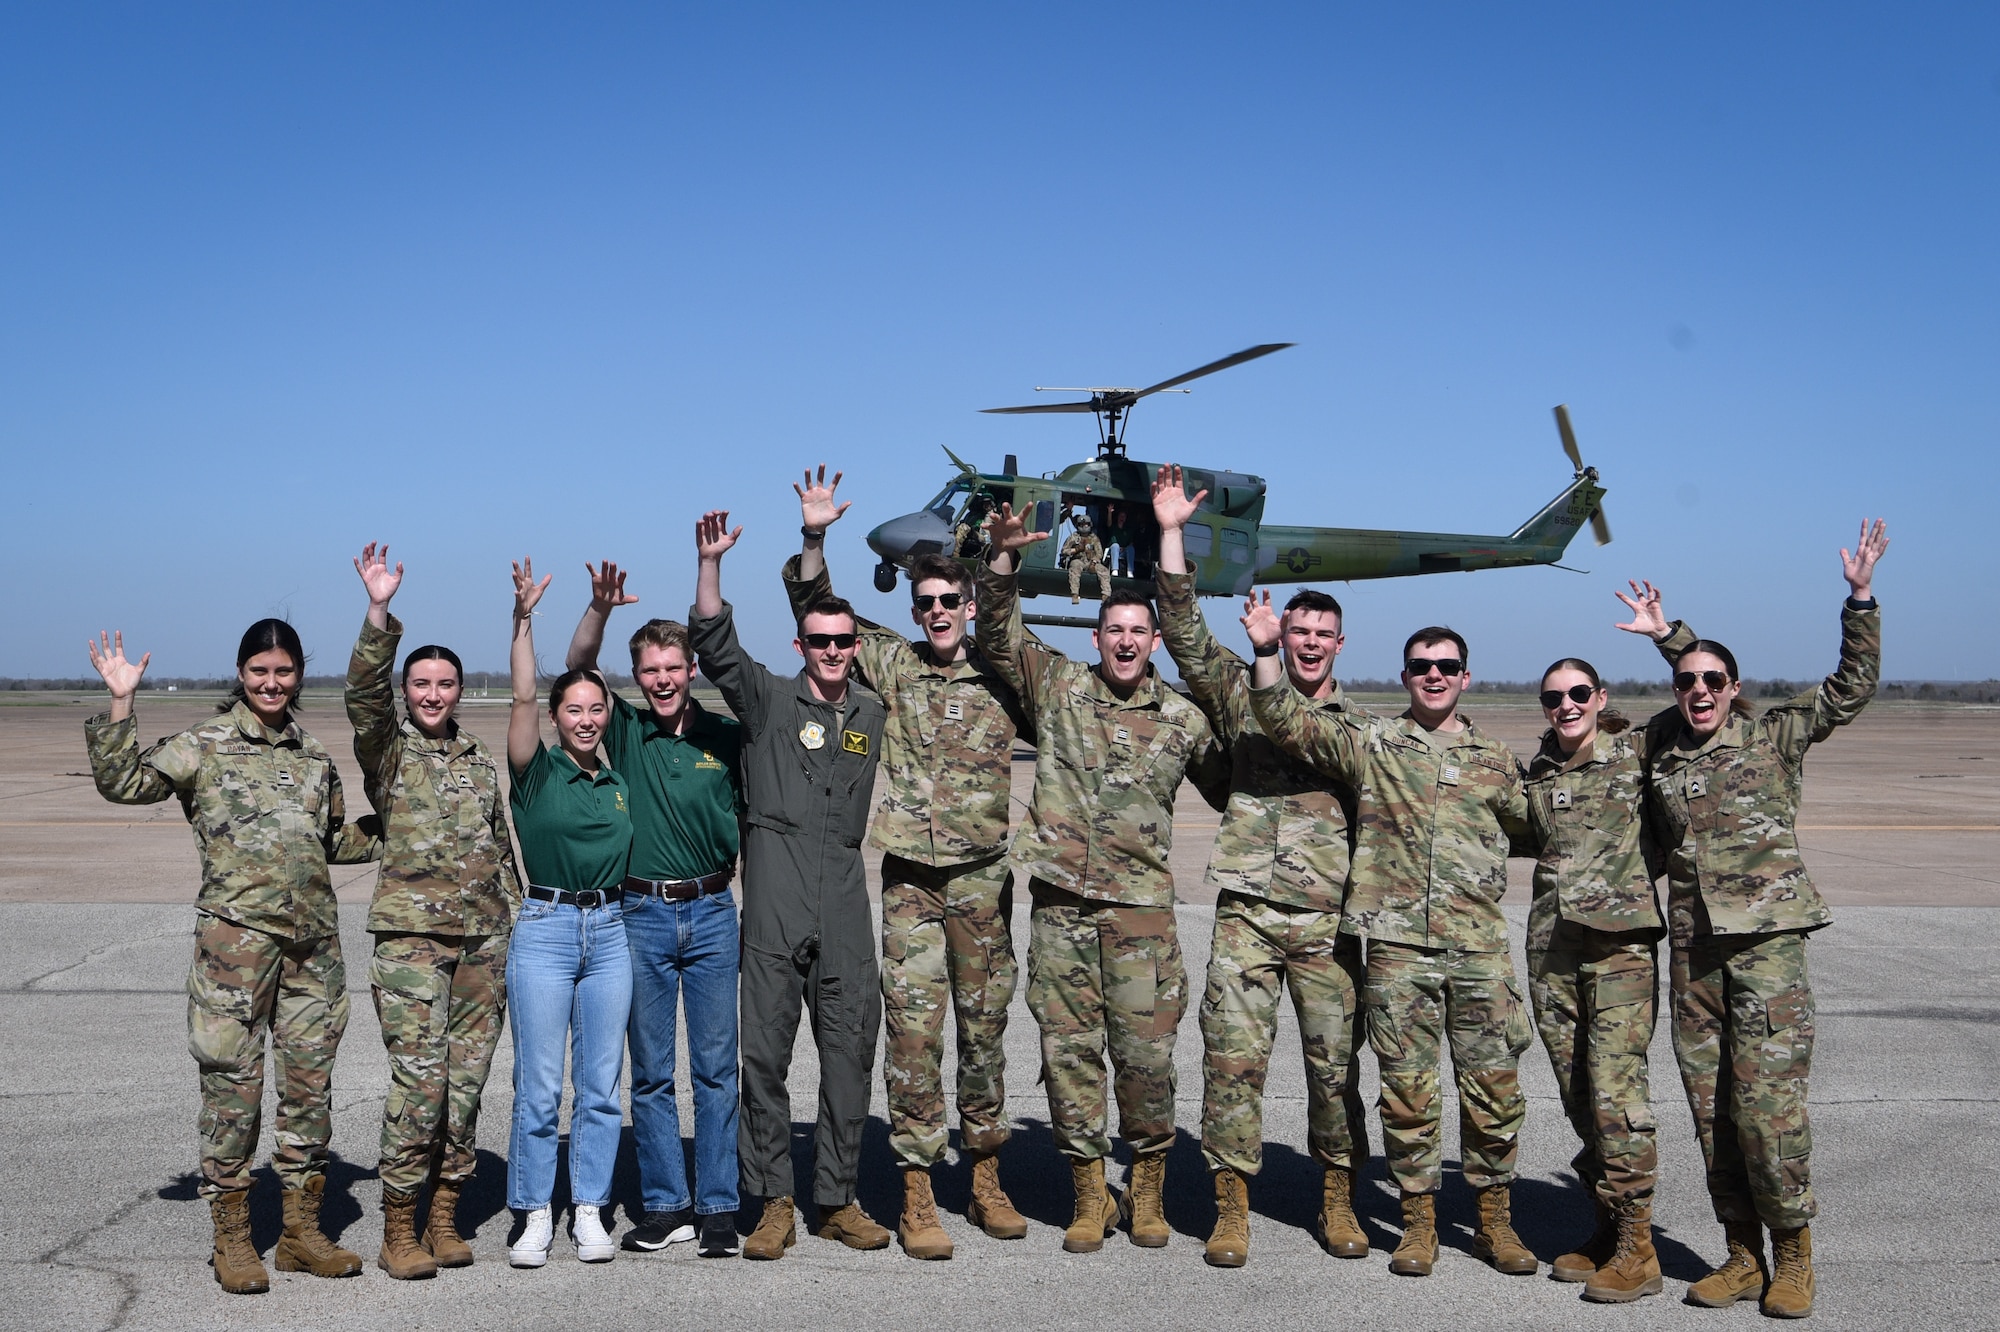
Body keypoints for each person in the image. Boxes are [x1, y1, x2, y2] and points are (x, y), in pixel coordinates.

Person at [1617, 519, 1888, 1319]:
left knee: (1768, 1112)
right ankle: (1741, 1253)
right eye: (1686, 680)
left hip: (1767, 951)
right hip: (1695, 954)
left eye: (1713, 681)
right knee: (1712, 1114)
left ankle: (1796, 1255)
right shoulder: (1662, 748)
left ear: (1735, 689)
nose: (1699, 691)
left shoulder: (1773, 736)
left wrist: (1860, 598)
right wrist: (1668, 636)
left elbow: (1851, 686)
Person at [84, 620, 380, 1295]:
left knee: (309, 1093)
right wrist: (123, 703)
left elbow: (334, 839)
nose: (272, 684)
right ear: (241, 674)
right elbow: (125, 784)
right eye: (259, 672)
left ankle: (302, 1234)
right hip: (233, 953)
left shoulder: (311, 754)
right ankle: (234, 1240)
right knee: (232, 1096)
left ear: (299, 673)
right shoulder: (205, 744)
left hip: (311, 951)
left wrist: (396, 824)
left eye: (283, 672)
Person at [784, 464, 1033, 1259]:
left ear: (965, 607)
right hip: (912, 889)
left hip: (984, 880)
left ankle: (987, 1178)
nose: (934, 615)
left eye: (946, 604)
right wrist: (815, 538)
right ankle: (919, 1192)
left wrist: (997, 566)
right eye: (922, 605)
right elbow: (820, 614)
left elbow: (1007, 626)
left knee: (986, 1034)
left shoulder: (1003, 672)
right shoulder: (892, 665)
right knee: (915, 1040)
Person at [1247, 618, 1537, 1279]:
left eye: (1446, 665)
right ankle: (1418, 1224)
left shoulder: (1495, 760)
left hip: (1479, 949)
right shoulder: (1373, 743)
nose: (1433, 675)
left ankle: (1495, 1222)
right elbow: (1288, 720)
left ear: (1466, 677)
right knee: (1407, 1094)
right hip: (1399, 951)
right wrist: (1268, 650)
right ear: (1405, 677)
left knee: (1493, 1090)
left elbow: (1542, 829)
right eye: (1420, 665)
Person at [978, 501, 1229, 1253]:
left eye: (1138, 632)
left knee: (1148, 1060)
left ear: (1154, 641)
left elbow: (1233, 786)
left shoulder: (1184, 720)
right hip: (1060, 910)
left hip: (1142, 918)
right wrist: (1000, 560)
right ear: (1097, 638)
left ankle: (1146, 1189)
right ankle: (1090, 1193)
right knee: (1068, 1056)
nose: (1125, 641)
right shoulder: (1055, 688)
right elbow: (997, 634)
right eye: (1114, 631)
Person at [1148, 465, 1371, 1268]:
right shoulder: (1237, 691)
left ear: (1338, 645)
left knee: (1333, 1069)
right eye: (1296, 633)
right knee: (1232, 1063)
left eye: (1319, 635)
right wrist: (1171, 531)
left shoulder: (1360, 729)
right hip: (1246, 909)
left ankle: (1338, 1200)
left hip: (1326, 918)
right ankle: (1231, 1206)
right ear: (1277, 634)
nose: (1306, 644)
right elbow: (1181, 631)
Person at [688, 509, 892, 1260]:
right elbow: (714, 646)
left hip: (843, 885)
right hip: (774, 882)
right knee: (765, 1056)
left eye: (844, 642)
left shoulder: (872, 709)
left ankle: (837, 1197)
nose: (833, 651)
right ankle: (773, 1199)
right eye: (820, 641)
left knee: (849, 1052)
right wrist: (710, 564)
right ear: (801, 645)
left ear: (856, 648)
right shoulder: (770, 698)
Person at [346, 543, 522, 1279]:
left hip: (484, 940)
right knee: (419, 1083)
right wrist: (378, 612)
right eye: (420, 682)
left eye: (445, 683)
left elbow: (499, 845)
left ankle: (445, 1214)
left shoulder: (478, 759)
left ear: (458, 690)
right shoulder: (388, 753)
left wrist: (517, 917)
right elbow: (363, 699)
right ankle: (398, 1227)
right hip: (412, 942)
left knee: (468, 1081)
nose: (433, 693)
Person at [565, 559, 745, 1259]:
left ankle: (721, 1205)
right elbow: (578, 668)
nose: (663, 680)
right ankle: (668, 1203)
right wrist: (600, 611)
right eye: (649, 671)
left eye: (673, 667)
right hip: (638, 914)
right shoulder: (627, 732)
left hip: (710, 913)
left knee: (715, 1067)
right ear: (636, 677)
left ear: (690, 667)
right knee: (648, 1071)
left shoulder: (726, 737)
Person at [1515, 654, 1667, 1302]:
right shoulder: (1538, 775)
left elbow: (1697, 701)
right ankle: (1606, 1226)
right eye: (1555, 696)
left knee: (1615, 1096)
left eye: (1579, 693)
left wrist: (1666, 634)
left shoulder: (1634, 754)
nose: (1567, 705)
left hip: (1618, 956)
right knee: (1581, 1098)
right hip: (1553, 954)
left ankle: (1640, 1247)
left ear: (1601, 698)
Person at [501, 558, 634, 1269]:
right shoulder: (537, 770)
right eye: (572, 710)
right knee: (540, 1086)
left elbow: (589, 661)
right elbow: (523, 694)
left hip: (610, 933)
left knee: (600, 1085)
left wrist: (601, 616)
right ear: (556, 719)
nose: (585, 719)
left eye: (595, 709)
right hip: (546, 931)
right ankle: (532, 1213)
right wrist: (523, 618)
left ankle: (588, 1208)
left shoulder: (615, 776)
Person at [1061, 512, 1110, 604]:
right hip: (1078, 560)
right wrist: (1075, 550)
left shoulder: (1094, 538)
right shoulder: (1074, 537)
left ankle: (1106, 595)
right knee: (1074, 568)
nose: (1084, 526)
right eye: (1082, 524)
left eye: (1086, 524)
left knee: (1104, 571)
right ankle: (1075, 594)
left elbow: (1099, 553)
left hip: (1091, 562)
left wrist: (1094, 562)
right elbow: (1064, 550)